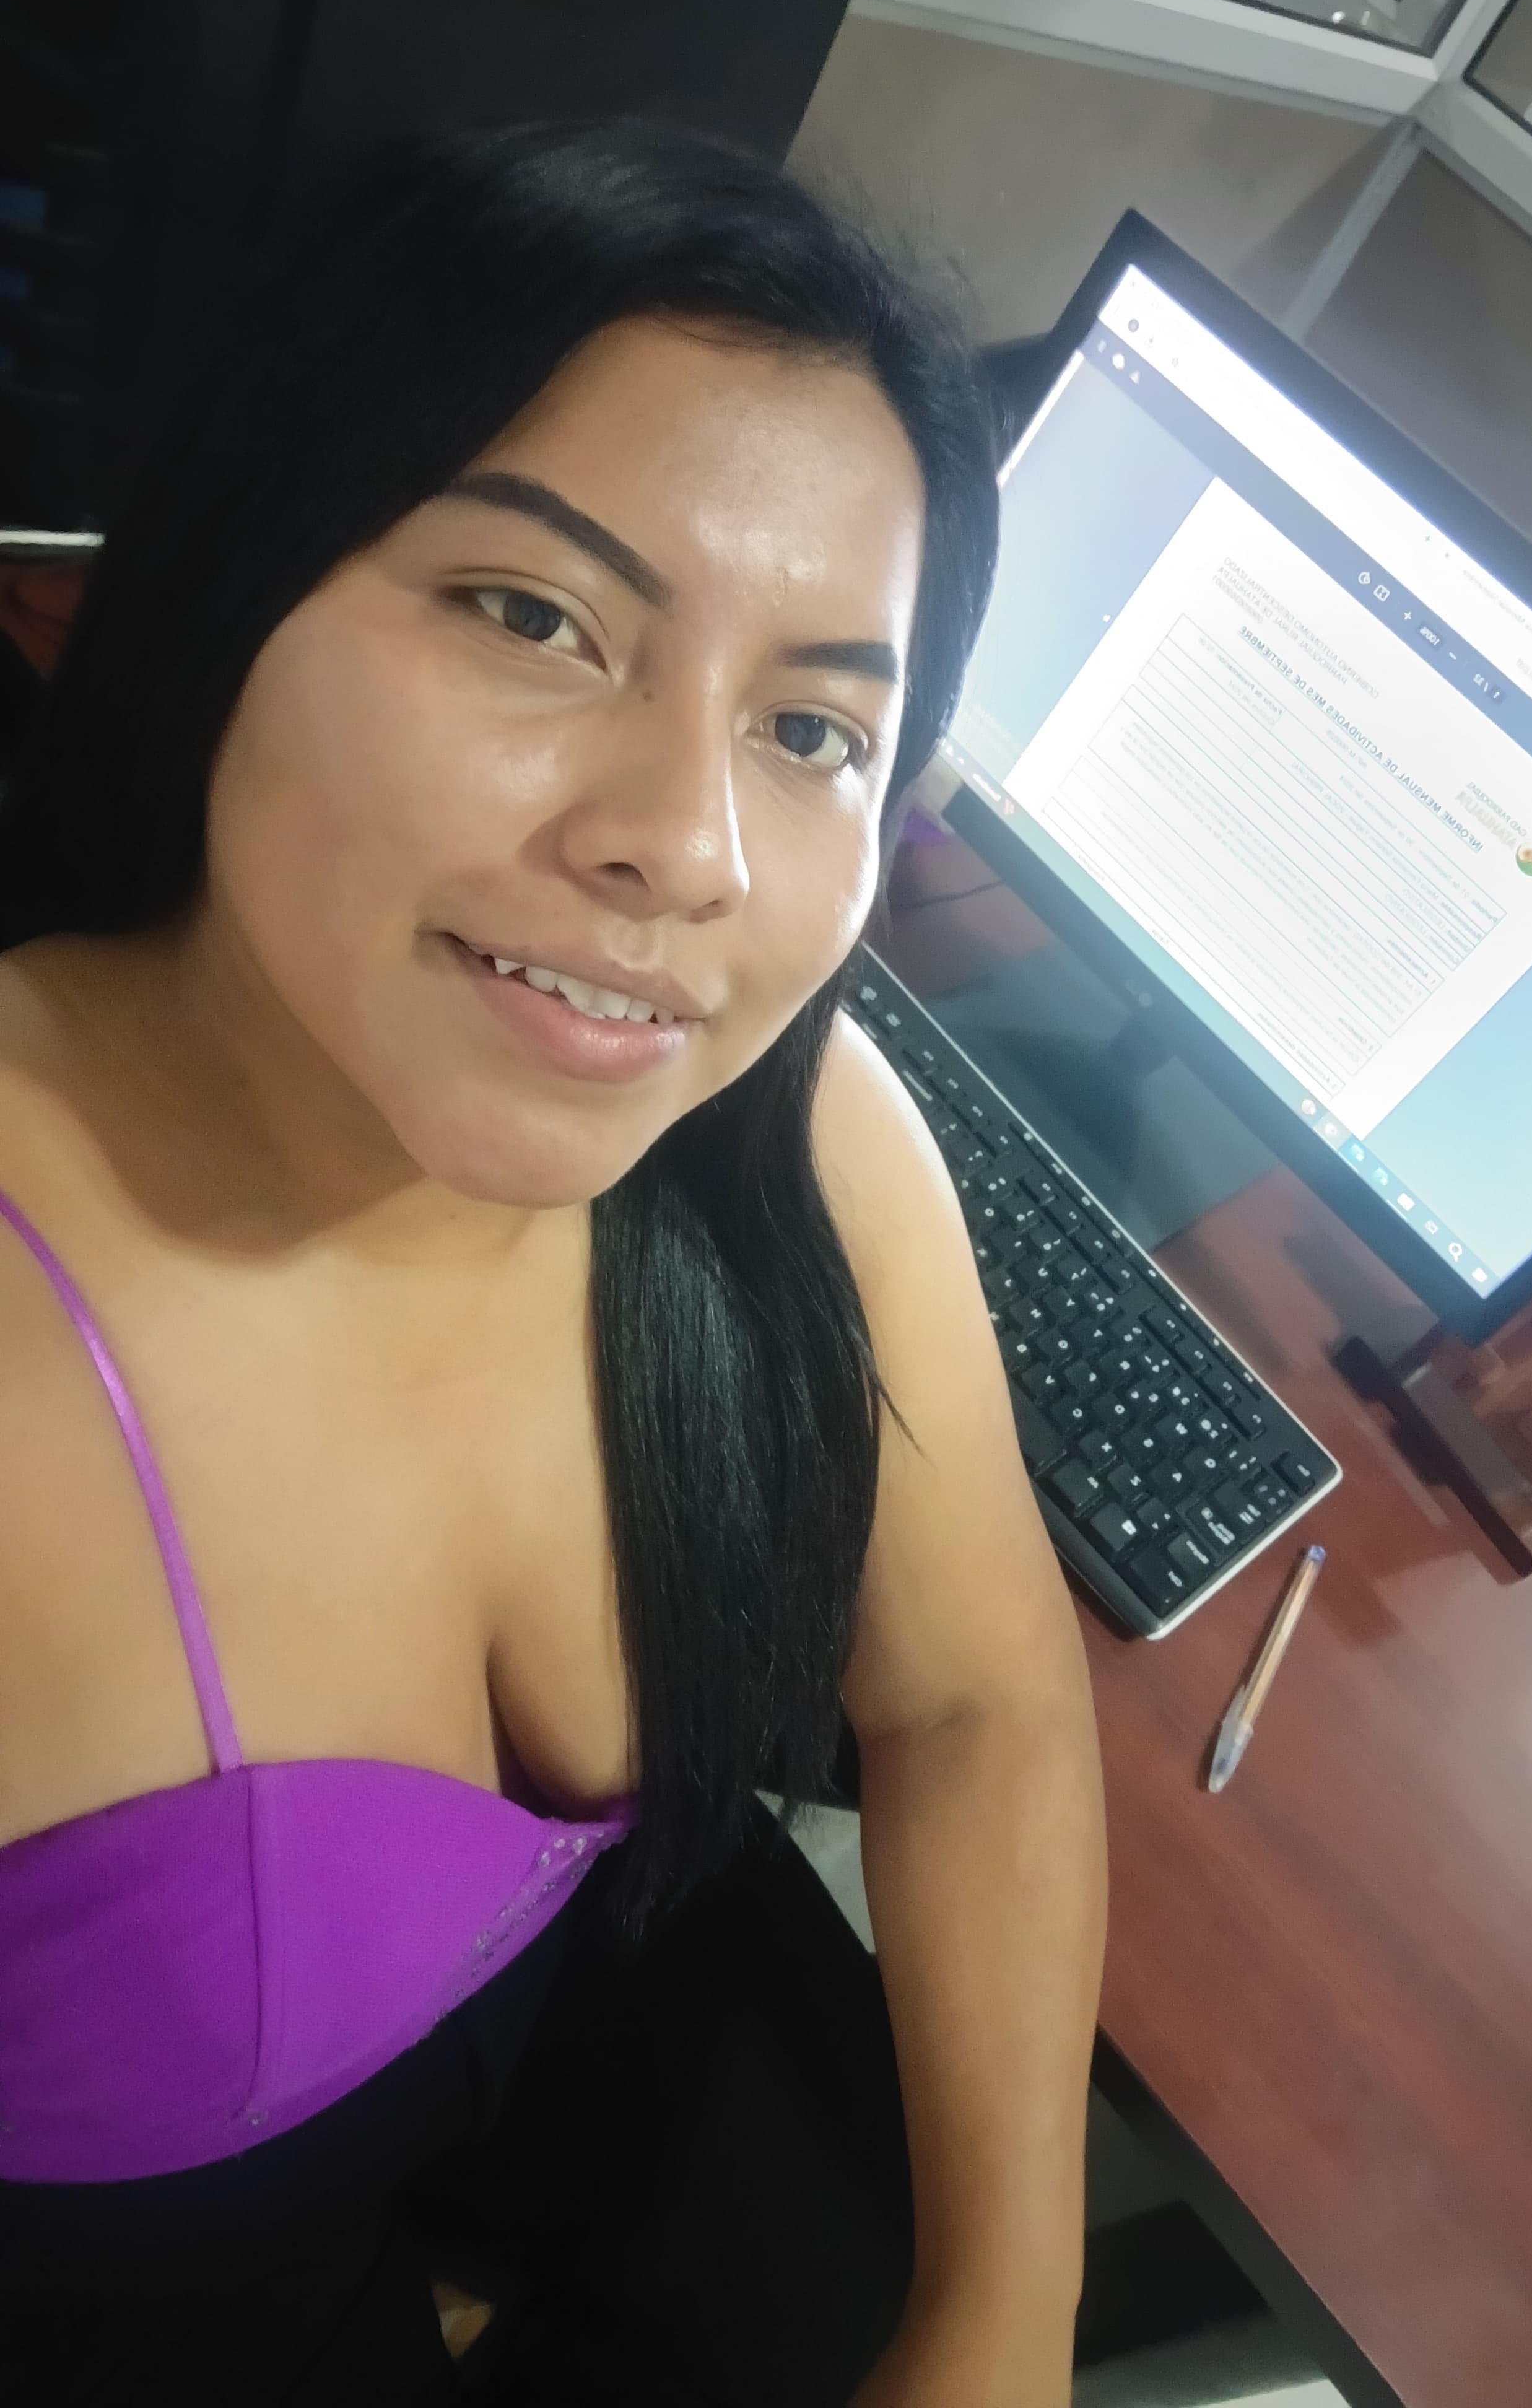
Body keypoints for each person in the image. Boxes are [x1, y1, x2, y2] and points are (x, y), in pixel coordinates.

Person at [0, 121, 1107, 2404]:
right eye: (535, 618)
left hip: (535, 2049)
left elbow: (977, 1700)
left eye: (809, 729)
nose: (684, 849)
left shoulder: (792, 1137)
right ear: (244, 571)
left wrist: (1007, 2317)